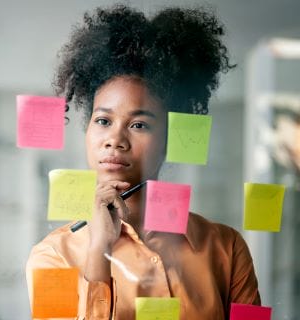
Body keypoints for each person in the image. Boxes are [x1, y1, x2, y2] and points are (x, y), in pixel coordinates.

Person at [26, 4, 261, 319]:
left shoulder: (226, 248)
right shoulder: (52, 255)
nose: (115, 140)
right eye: (103, 121)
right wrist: (99, 251)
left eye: (139, 124)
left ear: (169, 138)